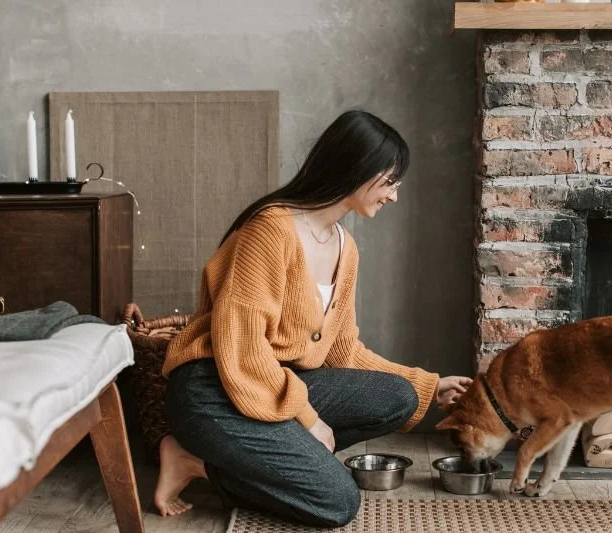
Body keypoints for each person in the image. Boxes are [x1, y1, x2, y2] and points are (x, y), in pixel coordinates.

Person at [152, 109, 472, 526]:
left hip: (274, 383)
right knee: (338, 501)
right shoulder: (270, 230)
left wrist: (428, 386)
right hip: (213, 389)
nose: (394, 195)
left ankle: (231, 462)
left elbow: (343, 352)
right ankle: (195, 458)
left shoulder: (346, 247)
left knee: (400, 398)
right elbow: (244, 351)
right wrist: (308, 417)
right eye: (390, 181)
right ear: (358, 168)